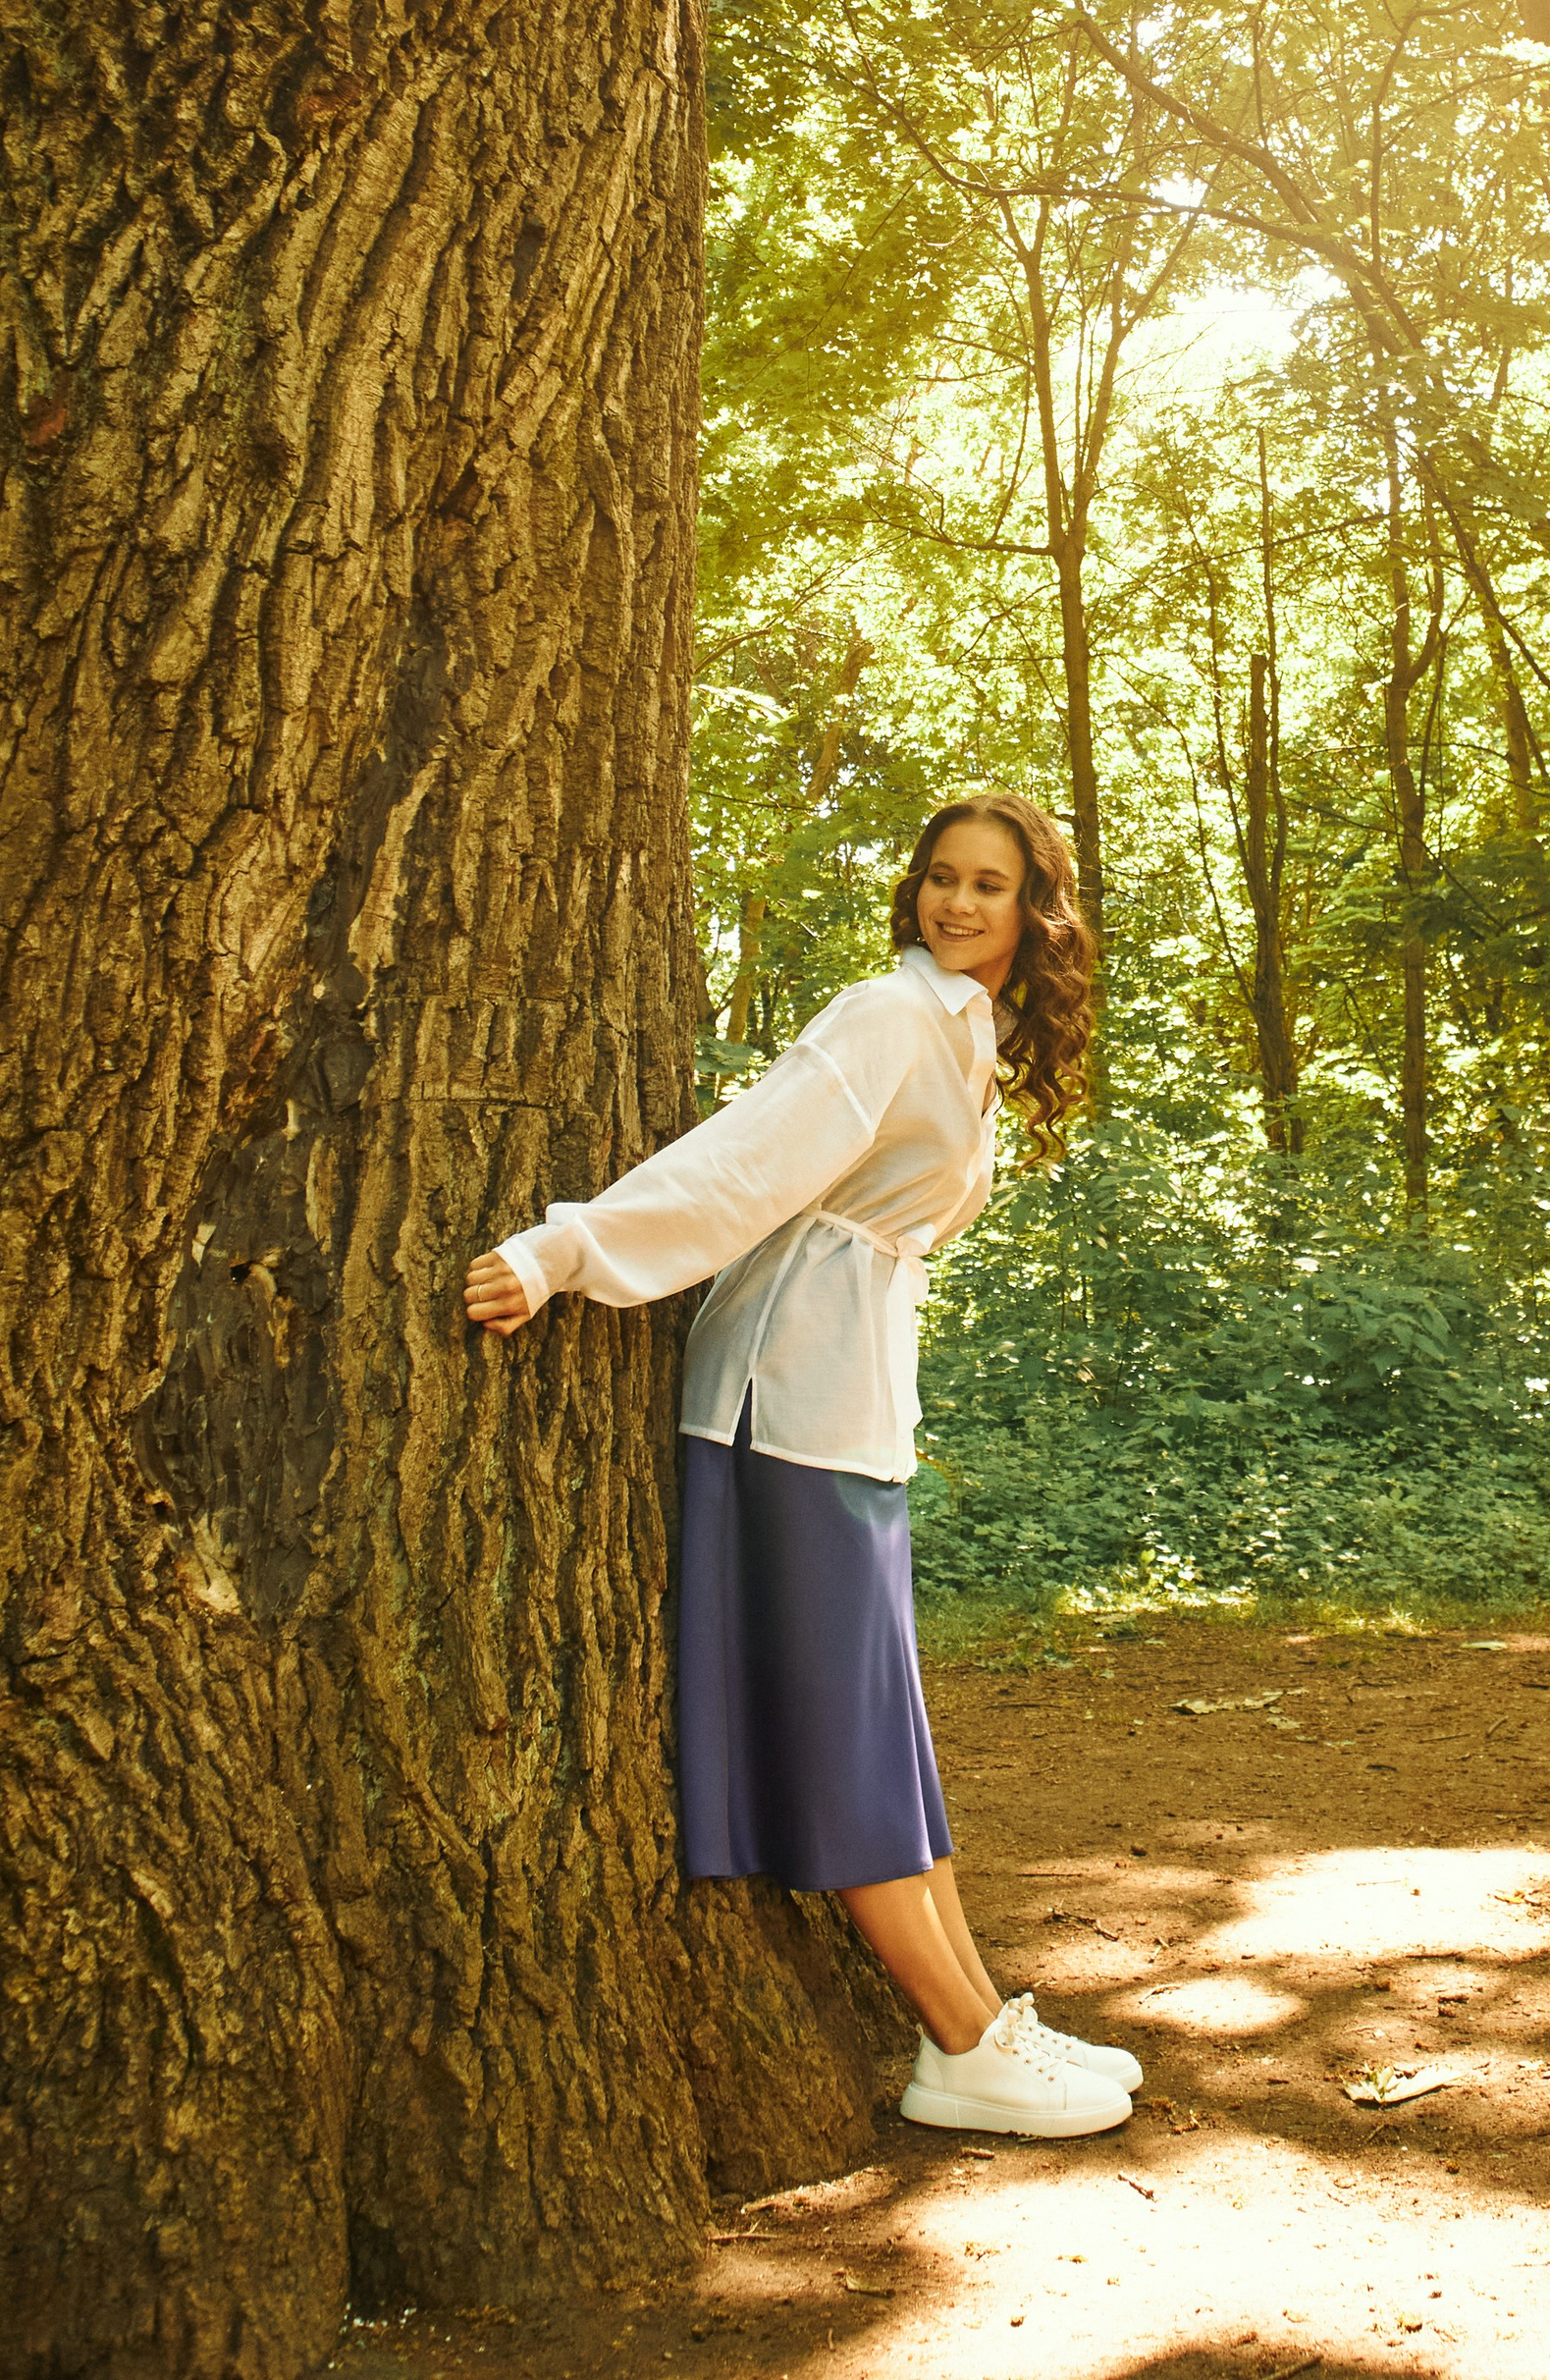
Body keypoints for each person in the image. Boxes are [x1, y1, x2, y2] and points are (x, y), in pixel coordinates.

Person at [462, 790, 1136, 2140]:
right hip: (784, 1405)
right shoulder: (891, 1016)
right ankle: (956, 2041)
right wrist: (567, 1248)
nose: (955, 901)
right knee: (845, 1741)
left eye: (989, 884)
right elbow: (747, 1165)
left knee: (889, 1733)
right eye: (941, 876)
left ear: (1033, 913)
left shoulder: (967, 1043)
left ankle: (983, 2020)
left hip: (853, 1406)